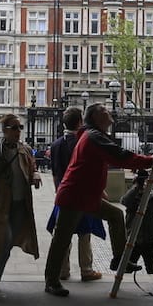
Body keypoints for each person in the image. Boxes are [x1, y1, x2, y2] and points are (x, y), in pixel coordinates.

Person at [44, 104, 153, 296]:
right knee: (61, 239)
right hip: (74, 195)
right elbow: (119, 156)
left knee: (115, 215)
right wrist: (149, 160)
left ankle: (119, 259)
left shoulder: (92, 135)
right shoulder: (93, 136)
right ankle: (51, 281)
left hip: (84, 195)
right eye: (105, 110)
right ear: (96, 117)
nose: (110, 112)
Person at [0, 114, 42, 293]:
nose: (18, 131)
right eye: (14, 128)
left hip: (20, 204)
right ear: (4, 130)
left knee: (9, 241)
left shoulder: (25, 150)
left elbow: (32, 167)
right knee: (2, 239)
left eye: (20, 127)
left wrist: (35, 175)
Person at [46, 107, 105, 283]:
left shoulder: (56, 144)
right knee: (84, 233)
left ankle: (63, 270)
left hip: (63, 194)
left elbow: (55, 173)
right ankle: (86, 270)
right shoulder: (83, 142)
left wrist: (59, 192)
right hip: (82, 194)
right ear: (80, 122)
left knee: (63, 235)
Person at [118, 169, 153, 275]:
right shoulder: (133, 198)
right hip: (134, 239)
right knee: (128, 268)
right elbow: (124, 201)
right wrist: (137, 186)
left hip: (150, 239)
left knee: (151, 268)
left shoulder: (152, 200)